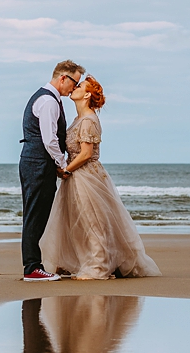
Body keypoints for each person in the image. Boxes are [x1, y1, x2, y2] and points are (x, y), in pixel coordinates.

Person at [40, 76, 161, 279]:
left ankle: (98, 265)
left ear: (87, 95)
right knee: (74, 222)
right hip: (76, 176)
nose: (74, 88)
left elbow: (86, 154)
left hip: (86, 176)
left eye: (80, 86)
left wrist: (66, 169)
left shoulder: (88, 119)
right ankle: (77, 260)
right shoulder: (79, 118)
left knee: (92, 222)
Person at [19, 60, 85, 282]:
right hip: (38, 163)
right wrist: (62, 164)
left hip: (36, 162)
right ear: (63, 78)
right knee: (35, 215)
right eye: (74, 83)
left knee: (37, 214)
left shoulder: (50, 99)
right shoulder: (48, 101)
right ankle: (32, 268)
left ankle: (33, 265)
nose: (74, 88)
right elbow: (49, 139)